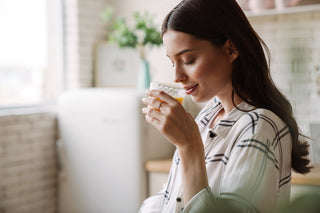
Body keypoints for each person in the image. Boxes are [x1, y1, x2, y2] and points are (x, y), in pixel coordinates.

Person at [140, 0, 311, 212]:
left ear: (231, 49)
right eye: (172, 62)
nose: (177, 77)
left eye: (188, 59)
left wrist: (189, 148)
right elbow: (171, 198)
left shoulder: (259, 128)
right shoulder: (208, 115)